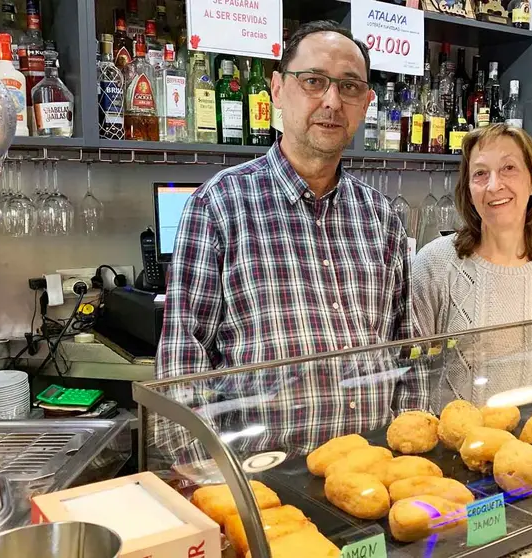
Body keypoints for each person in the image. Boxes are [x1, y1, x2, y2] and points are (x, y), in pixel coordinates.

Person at [151, 21, 426, 462]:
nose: (332, 101)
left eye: (350, 87)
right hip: (265, 480)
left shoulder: (381, 217)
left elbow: (405, 350)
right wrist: (210, 478)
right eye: (314, 81)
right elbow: (183, 363)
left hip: (372, 471)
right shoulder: (219, 206)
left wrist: (409, 457)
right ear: (277, 90)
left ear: (366, 103)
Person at [412, 123, 532, 408]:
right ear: (469, 189)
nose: (493, 185)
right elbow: (411, 377)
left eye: (509, 168)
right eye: (480, 173)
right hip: (455, 445)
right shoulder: (434, 264)